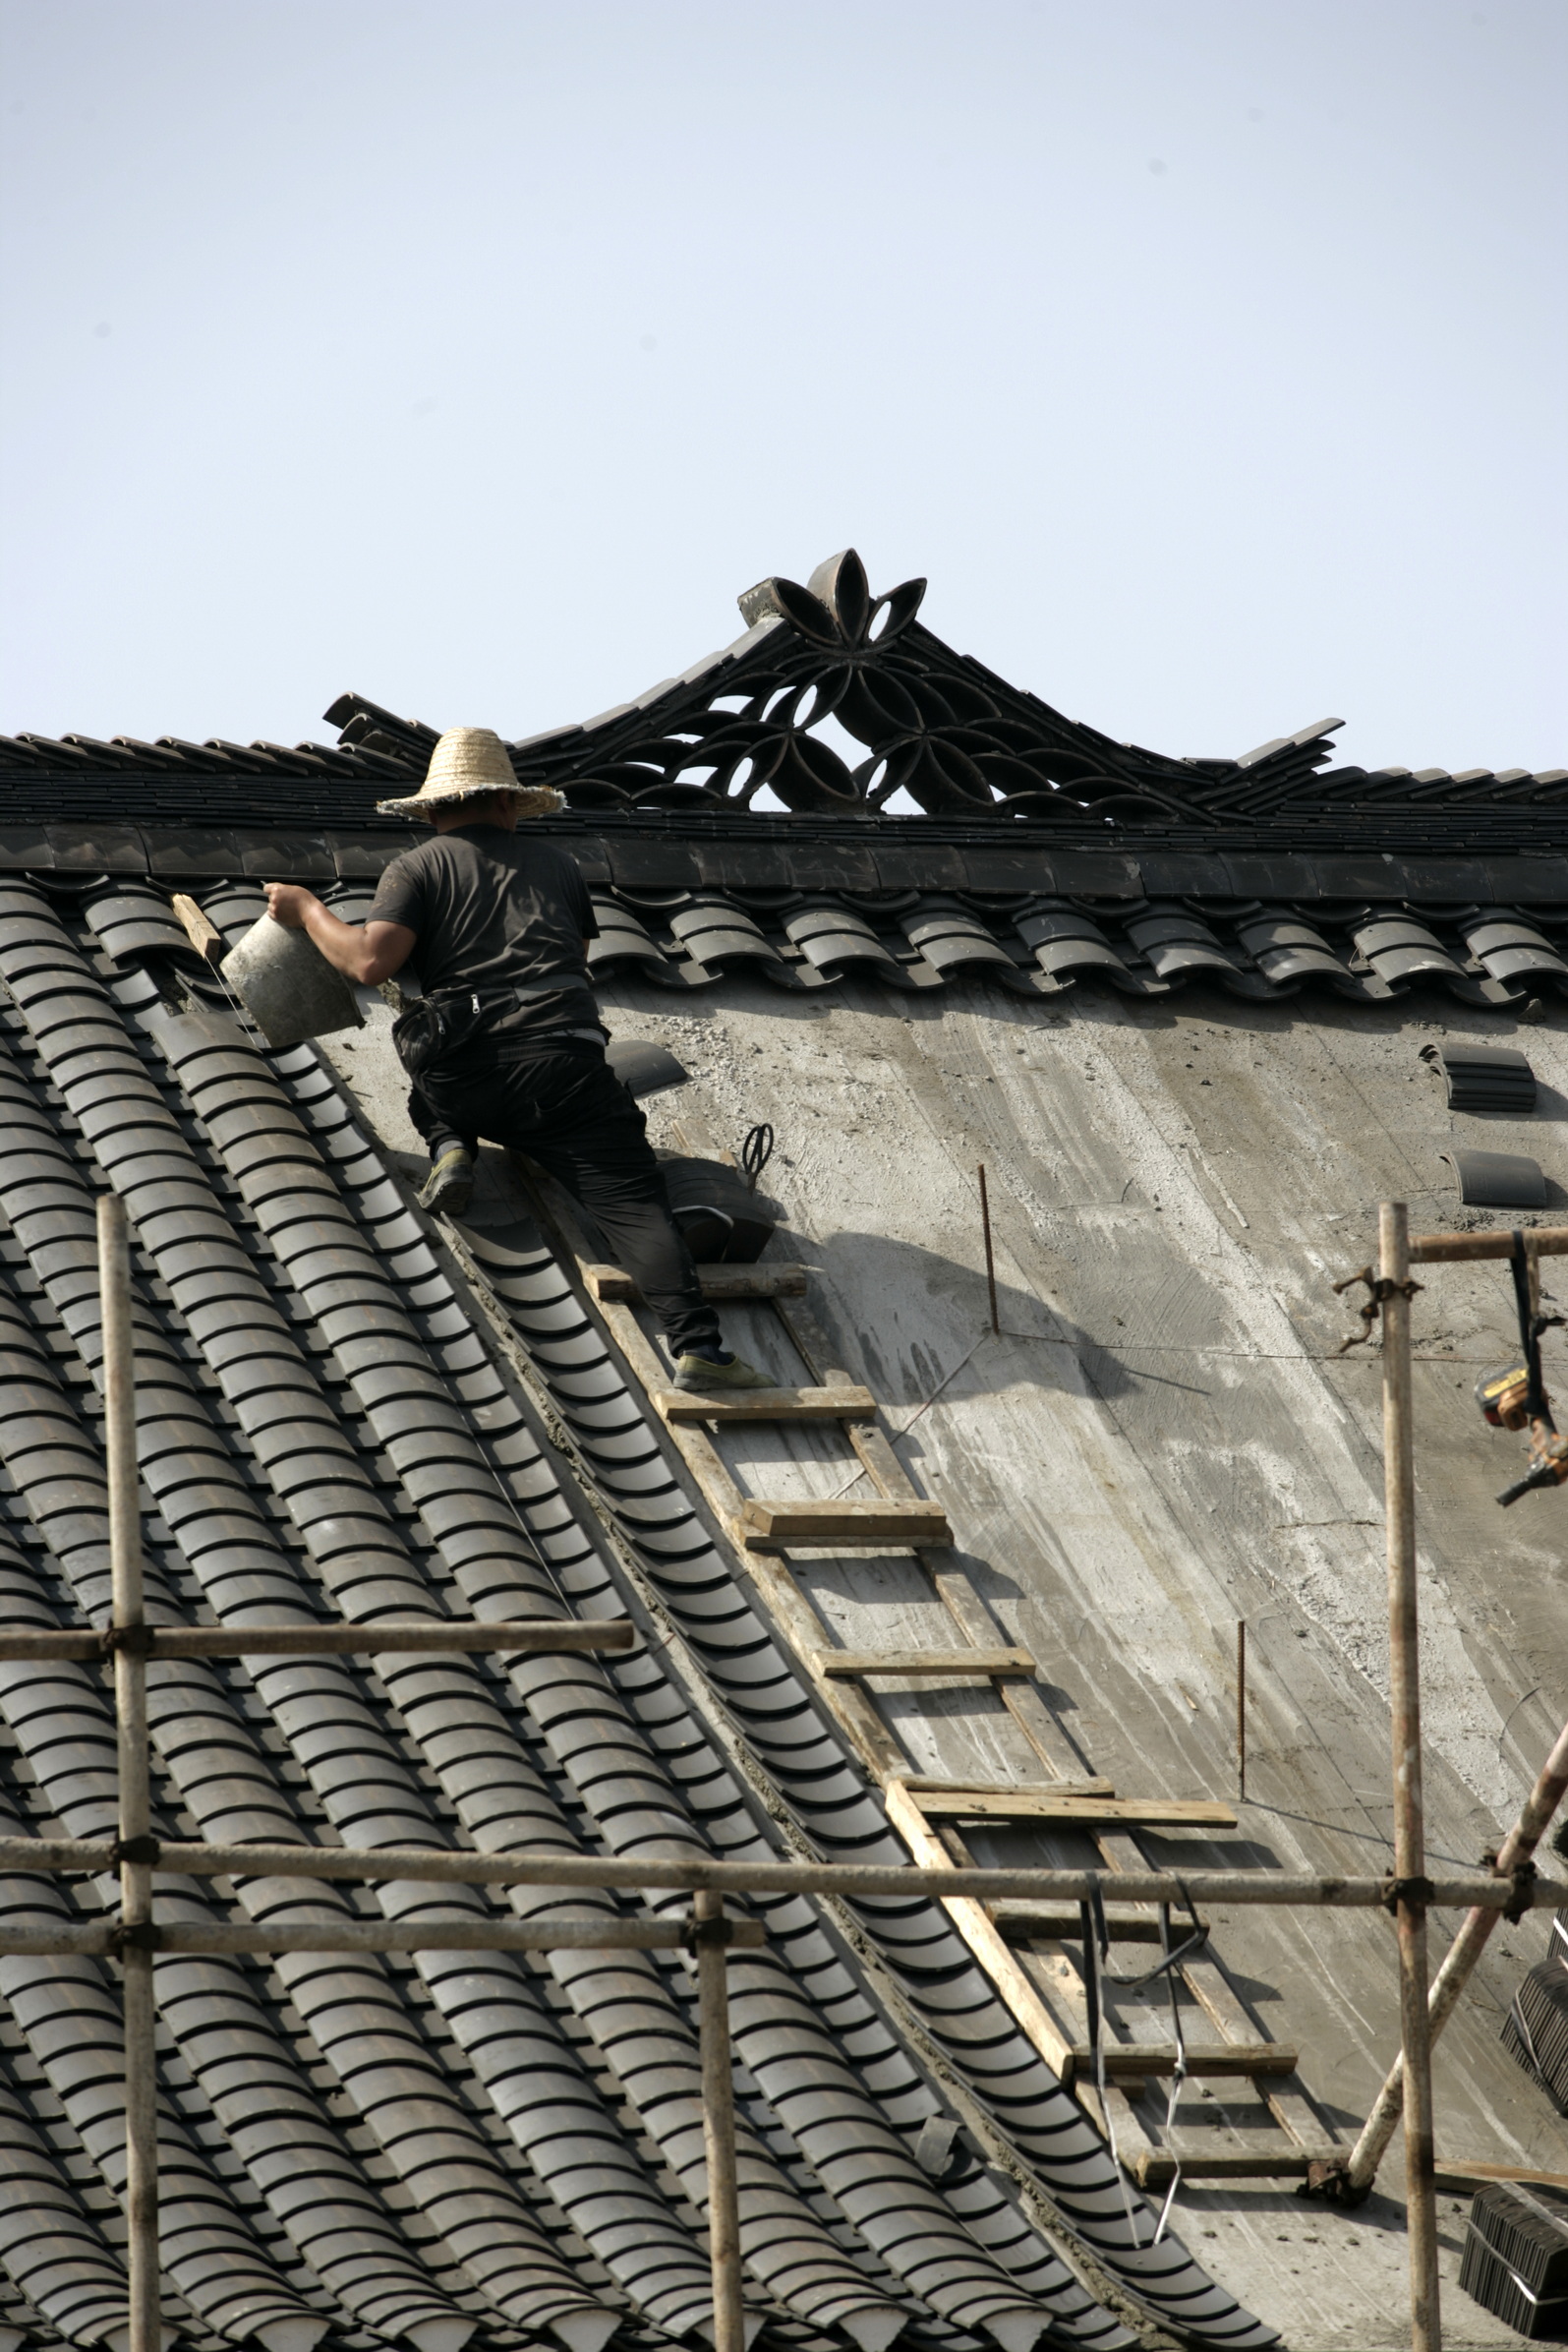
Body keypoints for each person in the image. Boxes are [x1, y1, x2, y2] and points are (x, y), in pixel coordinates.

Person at [261, 725, 773, 1392]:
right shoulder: (558, 867)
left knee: (428, 1065)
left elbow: (366, 963)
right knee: (635, 1204)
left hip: (468, 1072)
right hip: (566, 1067)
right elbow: (574, 964)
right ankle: (699, 1347)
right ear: (507, 802)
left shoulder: (416, 867)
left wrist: (305, 908)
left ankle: (451, 1145)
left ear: (432, 811)